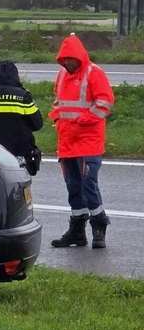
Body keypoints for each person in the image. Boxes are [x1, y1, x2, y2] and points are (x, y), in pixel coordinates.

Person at [49, 33, 115, 249]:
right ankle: (77, 231)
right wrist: (57, 118)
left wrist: (81, 121)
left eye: (70, 58)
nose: (67, 62)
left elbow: (105, 103)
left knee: (88, 185)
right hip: (67, 142)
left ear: (79, 56)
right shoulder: (61, 75)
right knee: (73, 187)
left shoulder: (94, 73)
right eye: (64, 59)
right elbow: (58, 101)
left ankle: (99, 227)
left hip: (88, 141)